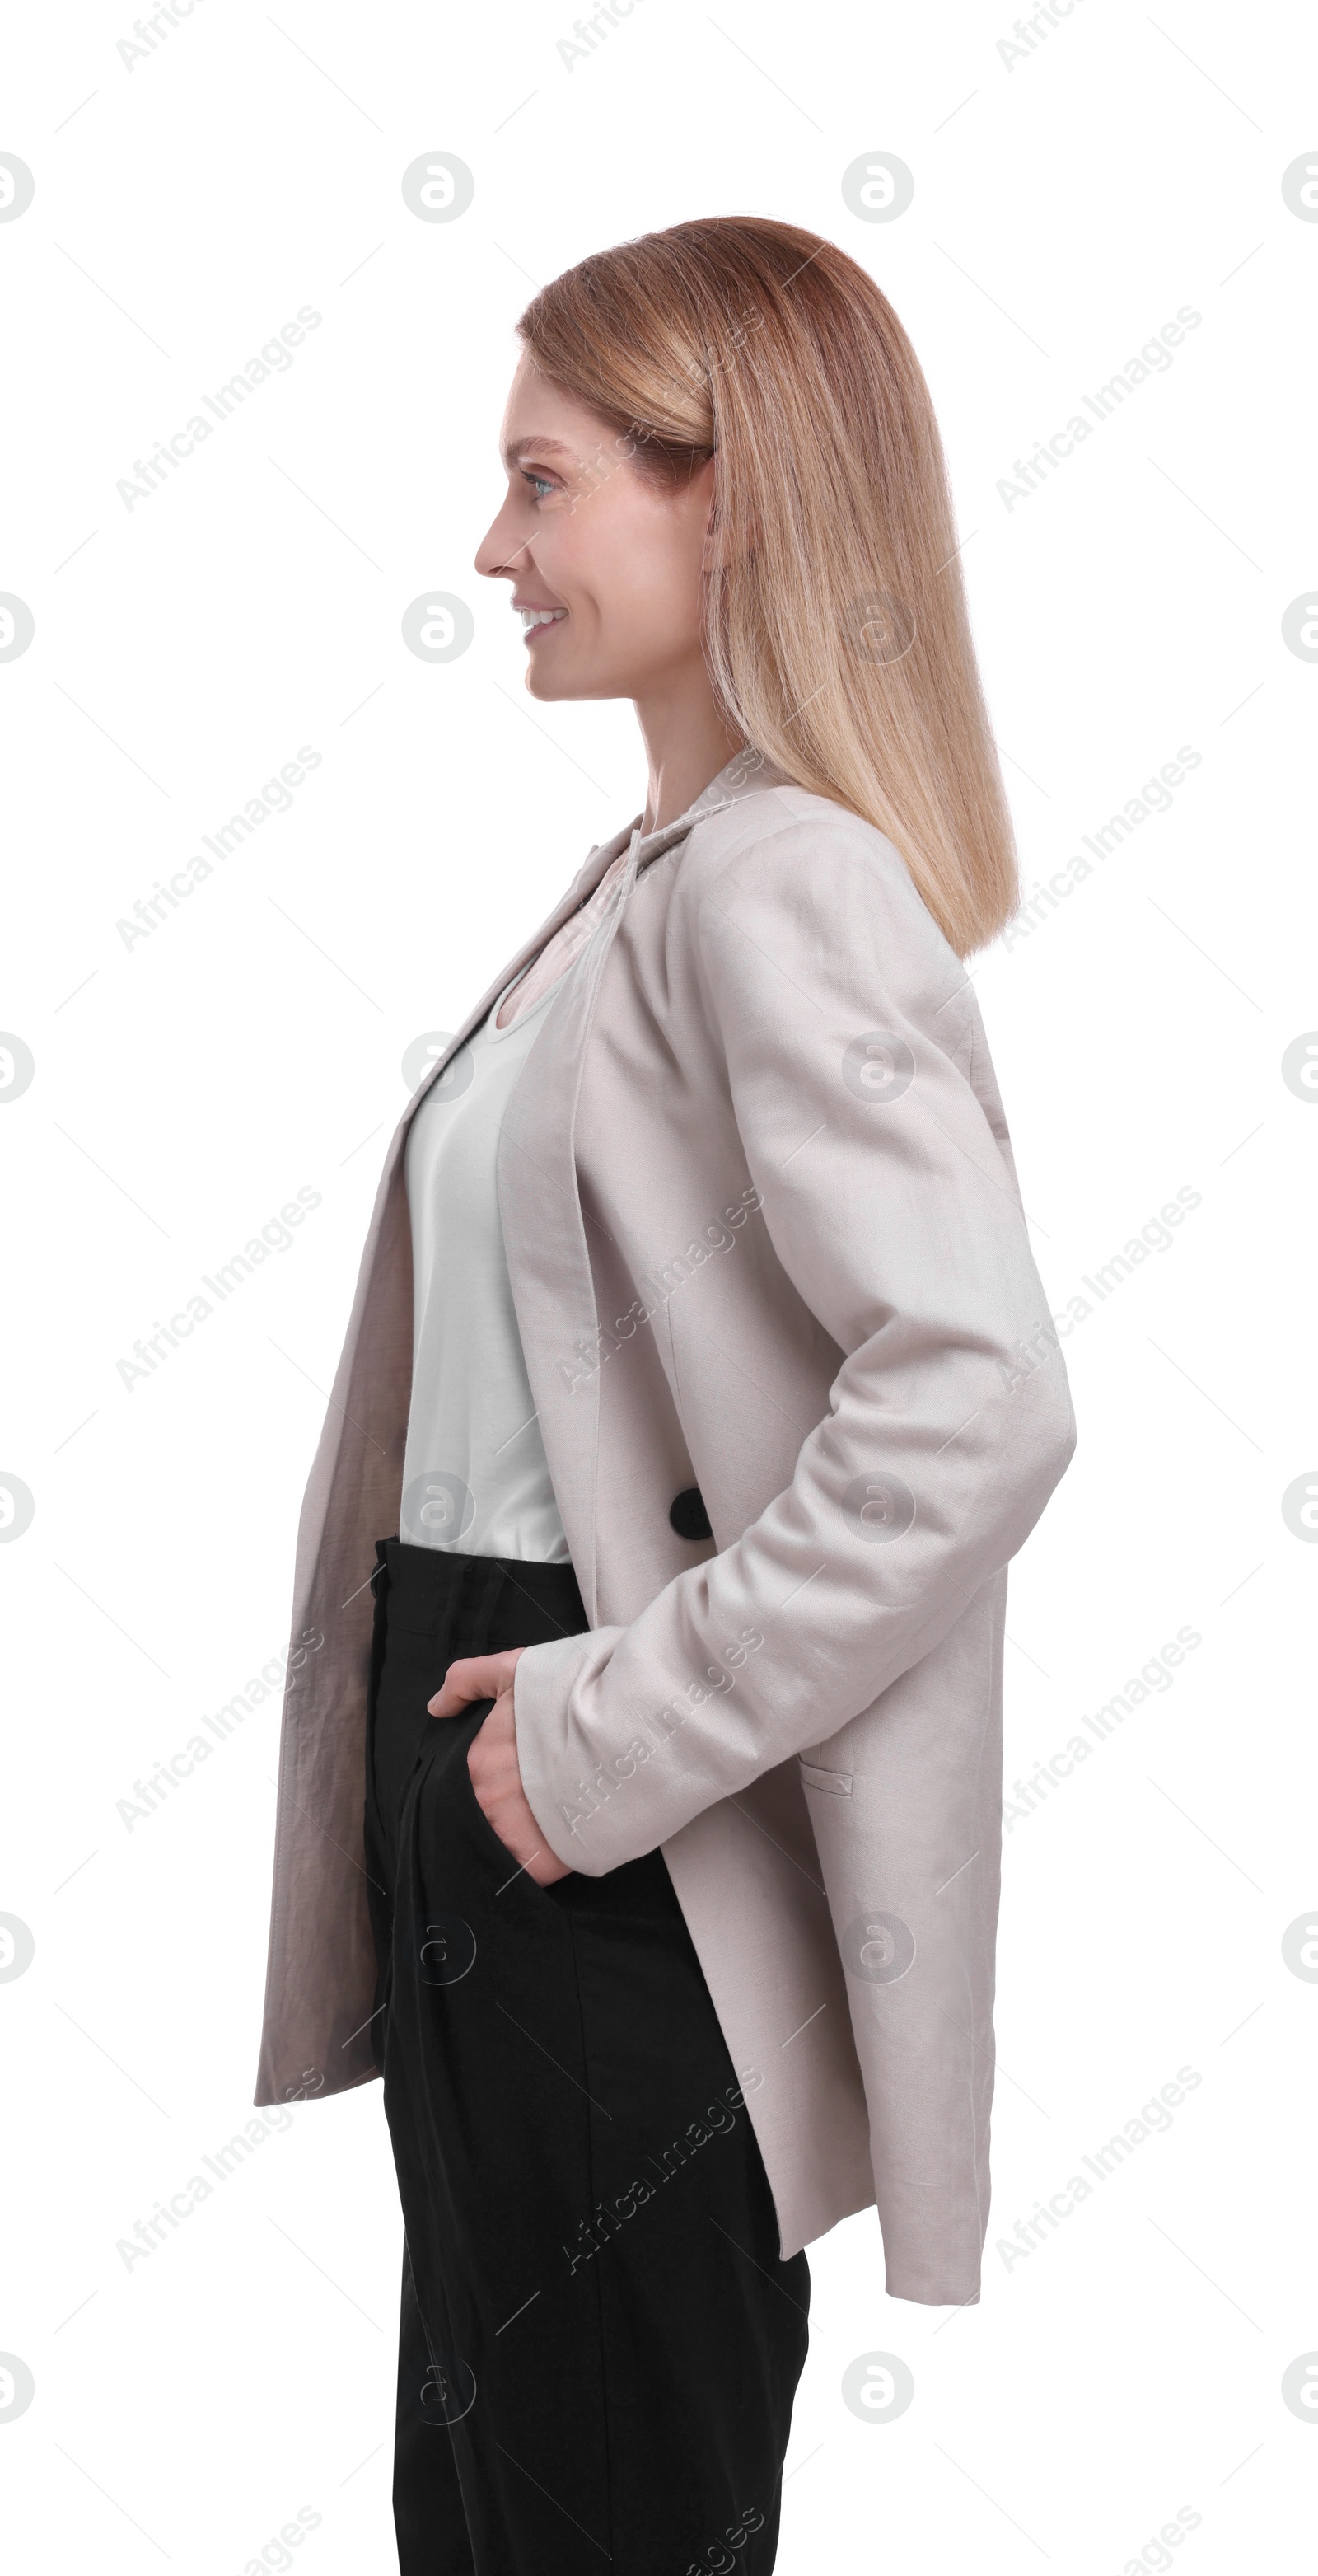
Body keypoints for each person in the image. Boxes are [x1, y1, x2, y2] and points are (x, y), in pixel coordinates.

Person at [255, 213, 1077, 2575]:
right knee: (504, 2513)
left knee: (596, 2517)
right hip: (506, 1768)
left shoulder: (780, 890)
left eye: (543, 483)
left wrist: (606, 1732)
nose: (492, 550)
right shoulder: (647, 875)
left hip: (604, 1817)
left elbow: (976, 1403)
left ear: (724, 495)